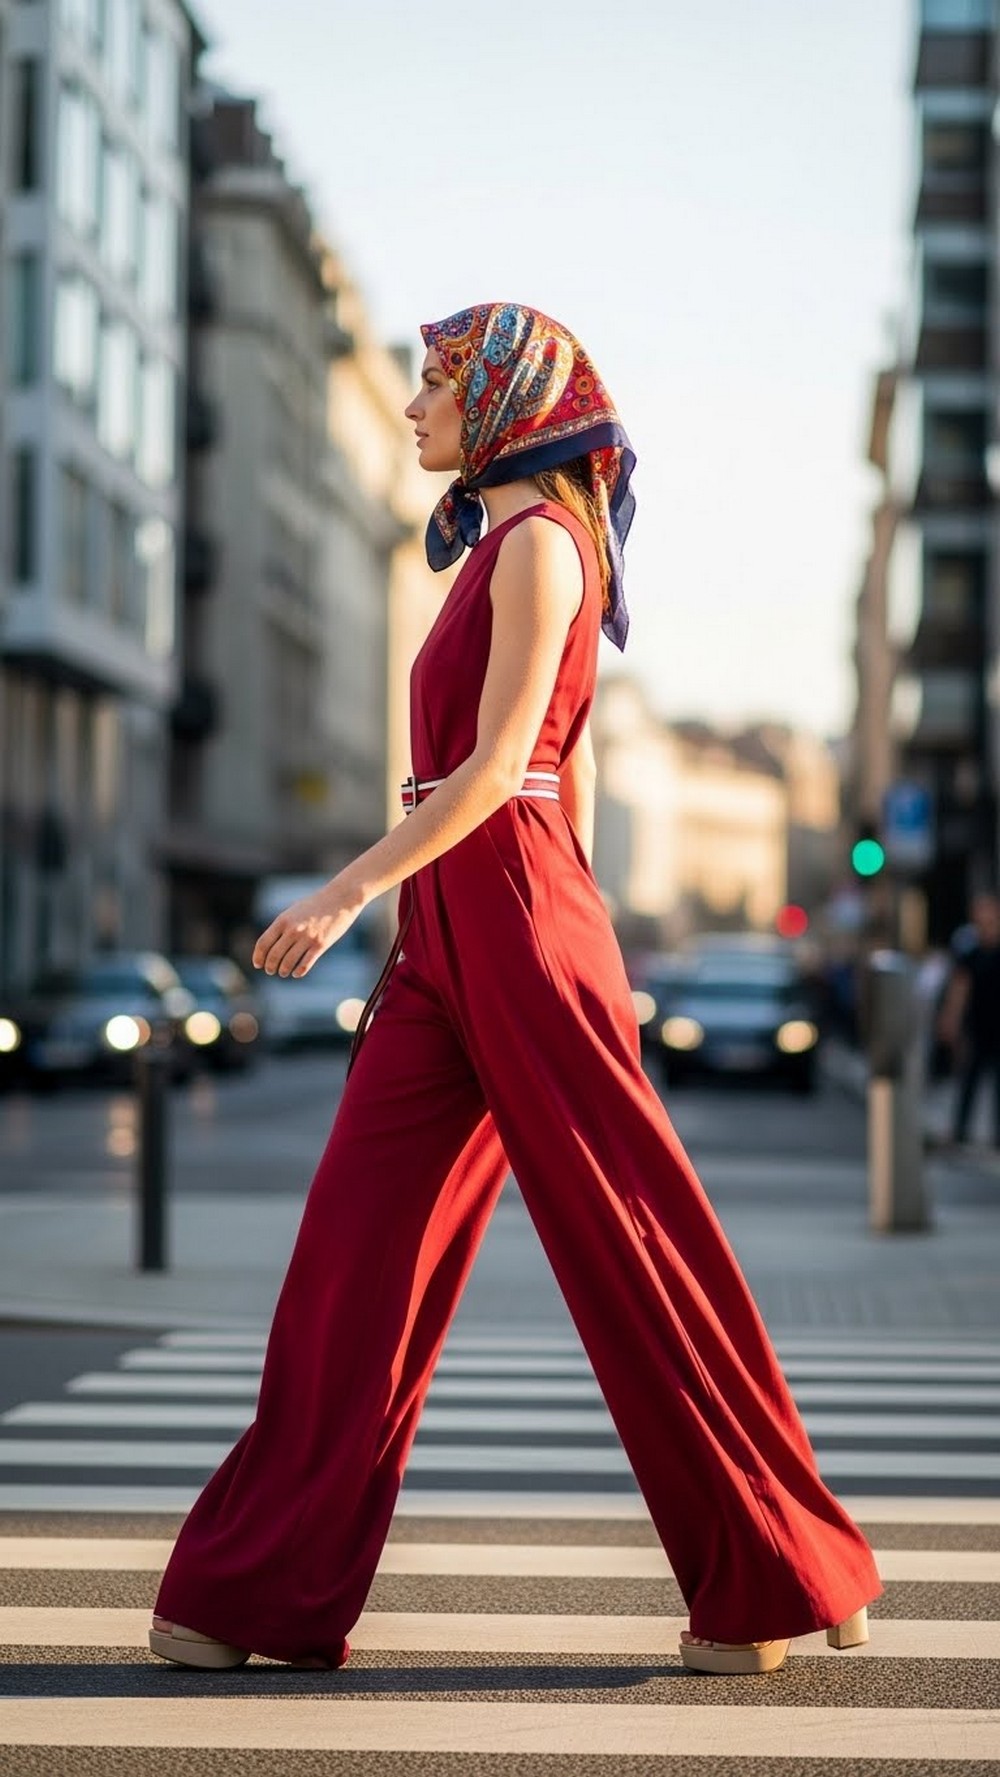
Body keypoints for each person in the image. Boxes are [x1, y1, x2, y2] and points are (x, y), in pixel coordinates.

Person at [149, 300, 881, 1679]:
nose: (417, 411)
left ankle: (782, 1570)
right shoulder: (500, 554)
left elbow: (504, 773)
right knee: (354, 1263)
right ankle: (258, 1589)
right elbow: (575, 764)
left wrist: (346, 889)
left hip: (517, 916)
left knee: (634, 1249)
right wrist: (436, 916)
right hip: (460, 933)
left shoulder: (541, 546)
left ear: (499, 409)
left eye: (433, 388)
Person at [938, 889, 1000, 1148]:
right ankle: (960, 1130)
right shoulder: (971, 952)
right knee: (969, 1080)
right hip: (977, 1025)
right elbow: (959, 988)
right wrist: (950, 1019)